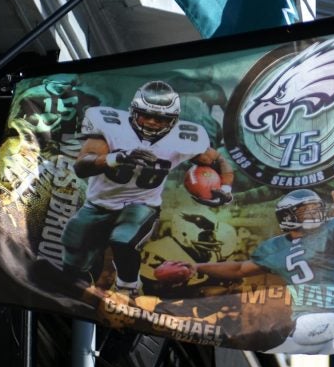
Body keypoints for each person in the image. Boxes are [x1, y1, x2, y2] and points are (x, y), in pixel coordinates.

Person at [58, 80, 234, 299]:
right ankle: (75, 287)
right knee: (74, 242)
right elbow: (82, 166)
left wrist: (225, 188)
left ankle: (128, 289)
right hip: (99, 203)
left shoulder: (184, 137)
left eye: (160, 118)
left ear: (173, 120)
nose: (151, 122)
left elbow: (218, 161)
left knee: (124, 239)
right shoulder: (111, 126)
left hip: (142, 204)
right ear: (133, 112)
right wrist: (118, 157)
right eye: (145, 115)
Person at [175, 184, 334, 354]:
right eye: (305, 210)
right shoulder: (274, 248)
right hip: (302, 320)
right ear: (287, 216)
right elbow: (239, 269)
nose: (314, 213)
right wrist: (197, 267)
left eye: (315, 207)